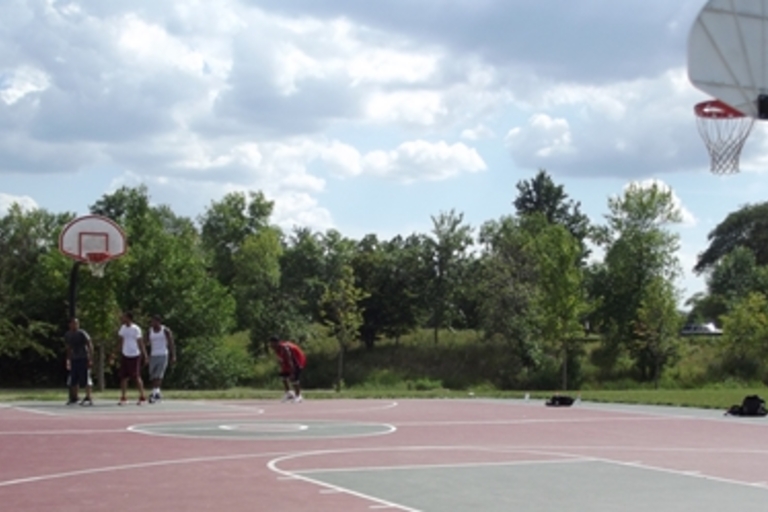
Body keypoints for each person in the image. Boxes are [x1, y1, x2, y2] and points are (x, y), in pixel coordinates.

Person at [116, 311, 148, 405]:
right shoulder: (123, 328)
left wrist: (145, 355)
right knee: (123, 377)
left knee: (136, 376)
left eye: (124, 317)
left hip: (134, 355)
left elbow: (140, 343)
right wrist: (116, 352)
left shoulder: (136, 329)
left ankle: (142, 396)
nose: (122, 318)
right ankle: (124, 397)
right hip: (125, 354)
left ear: (129, 318)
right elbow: (121, 341)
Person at [146, 315, 176, 403]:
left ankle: (154, 393)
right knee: (152, 374)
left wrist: (173, 355)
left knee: (159, 374)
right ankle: (157, 392)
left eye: (154, 321)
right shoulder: (150, 331)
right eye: (152, 322)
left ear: (159, 322)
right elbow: (145, 342)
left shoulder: (165, 331)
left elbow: (171, 343)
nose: (152, 323)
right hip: (153, 354)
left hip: (163, 354)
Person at [64, 318, 94, 406]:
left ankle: (88, 397)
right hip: (74, 358)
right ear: (70, 324)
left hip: (83, 357)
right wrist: (68, 360)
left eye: (77, 323)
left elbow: (89, 344)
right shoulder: (68, 334)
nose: (75, 325)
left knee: (85, 377)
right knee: (73, 378)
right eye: (73, 323)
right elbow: (68, 348)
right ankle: (75, 397)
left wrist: (90, 358)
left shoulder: (82, 333)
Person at [269, 336, 306, 403]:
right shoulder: (277, 348)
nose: (271, 345)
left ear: (276, 343)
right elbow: (281, 359)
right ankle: (289, 393)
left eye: (272, 343)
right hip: (287, 362)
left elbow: (290, 359)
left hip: (297, 361)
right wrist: (282, 366)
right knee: (283, 376)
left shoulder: (284, 348)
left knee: (294, 378)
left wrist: (292, 371)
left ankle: (299, 396)